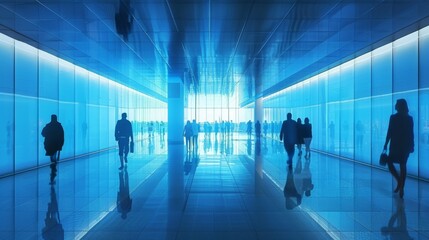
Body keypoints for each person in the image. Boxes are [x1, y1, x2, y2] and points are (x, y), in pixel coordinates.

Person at [384, 99, 414, 198]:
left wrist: (386, 144)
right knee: (402, 165)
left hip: (397, 145)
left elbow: (390, 132)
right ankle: (401, 184)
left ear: (399, 106)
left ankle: (400, 184)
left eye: (396, 104)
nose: (395, 105)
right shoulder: (408, 118)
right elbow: (411, 134)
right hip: (404, 145)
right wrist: (411, 145)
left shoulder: (394, 118)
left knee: (394, 163)